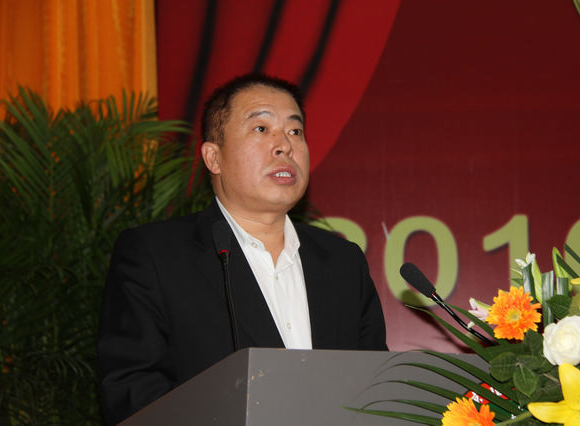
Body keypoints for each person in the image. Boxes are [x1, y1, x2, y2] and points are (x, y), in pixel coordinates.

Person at [97, 73, 387, 425]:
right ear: (213, 158)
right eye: (261, 129)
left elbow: (378, 393)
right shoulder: (156, 256)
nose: (285, 146)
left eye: (295, 131)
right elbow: (132, 395)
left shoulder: (343, 263)